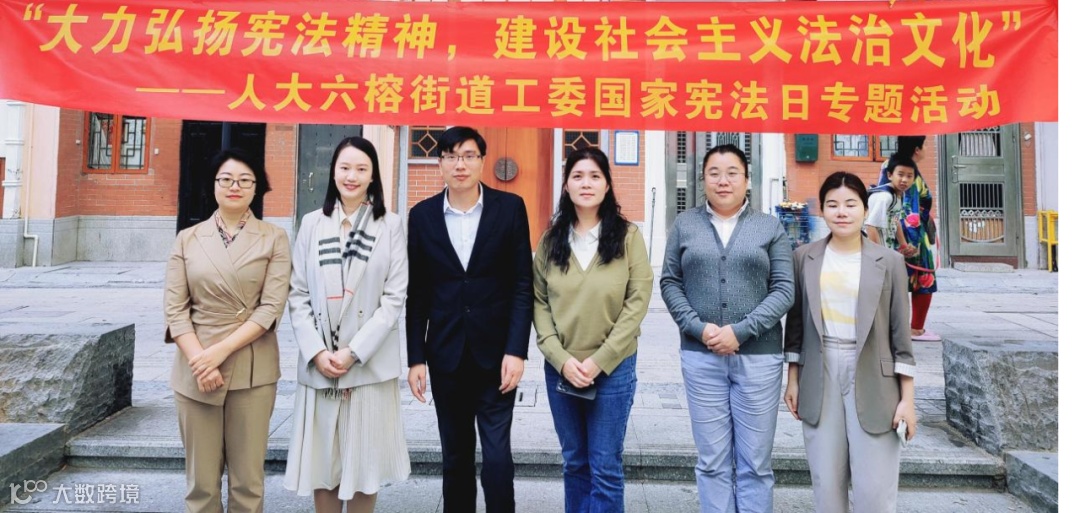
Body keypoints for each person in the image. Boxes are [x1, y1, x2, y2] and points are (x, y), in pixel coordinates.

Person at [660, 144, 794, 513]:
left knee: (755, 463)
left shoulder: (769, 226)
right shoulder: (685, 225)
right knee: (712, 461)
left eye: (732, 173)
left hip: (759, 359)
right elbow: (670, 281)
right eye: (714, 173)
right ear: (702, 179)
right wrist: (697, 328)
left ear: (747, 180)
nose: (723, 181)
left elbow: (784, 289)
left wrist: (742, 331)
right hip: (701, 358)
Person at [405, 126, 533, 513]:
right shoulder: (422, 216)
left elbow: (522, 285)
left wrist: (516, 350)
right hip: (446, 356)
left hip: (496, 357)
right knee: (455, 458)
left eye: (468, 156)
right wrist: (415, 358)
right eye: (451, 156)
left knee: (497, 460)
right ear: (440, 163)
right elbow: (418, 293)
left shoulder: (509, 208)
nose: (460, 164)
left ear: (481, 161)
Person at [284, 136, 410, 513]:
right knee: (323, 465)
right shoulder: (312, 223)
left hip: (368, 365)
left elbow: (394, 298)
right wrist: (317, 352)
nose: (351, 176)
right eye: (344, 168)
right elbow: (297, 294)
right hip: (321, 364)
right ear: (333, 172)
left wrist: (353, 353)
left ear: (373, 176)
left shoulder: (390, 225)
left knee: (363, 466)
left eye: (361, 169)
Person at [164, 148, 290, 513]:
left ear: (256, 187)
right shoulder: (187, 238)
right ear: (214, 185)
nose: (235, 186)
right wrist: (200, 361)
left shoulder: (274, 238)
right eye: (227, 179)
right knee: (201, 484)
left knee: (247, 483)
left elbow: (271, 307)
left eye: (245, 180)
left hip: (252, 368)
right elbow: (175, 310)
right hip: (196, 368)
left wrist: (219, 352)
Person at [783, 171, 917, 512]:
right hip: (820, 370)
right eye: (832, 204)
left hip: (875, 376)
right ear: (823, 210)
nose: (841, 212)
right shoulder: (804, 258)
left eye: (850, 204)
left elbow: (901, 337)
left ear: (864, 209)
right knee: (826, 484)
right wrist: (793, 379)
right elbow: (796, 326)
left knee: (875, 490)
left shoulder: (890, 262)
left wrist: (908, 400)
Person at [532, 148, 653, 513]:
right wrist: (560, 359)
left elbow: (637, 301)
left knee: (605, 467)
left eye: (595, 176)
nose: (586, 184)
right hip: (562, 369)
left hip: (614, 369)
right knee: (574, 462)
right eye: (578, 176)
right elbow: (539, 302)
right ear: (566, 185)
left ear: (607, 185)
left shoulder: (628, 237)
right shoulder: (551, 241)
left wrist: (601, 360)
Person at [875, 136, 939, 341]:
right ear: (917, 149)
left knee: (897, 282)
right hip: (910, 238)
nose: (927, 148)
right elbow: (908, 211)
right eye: (925, 144)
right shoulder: (909, 173)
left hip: (898, 234)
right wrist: (908, 245)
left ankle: (896, 328)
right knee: (923, 278)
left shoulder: (892, 165)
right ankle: (915, 329)